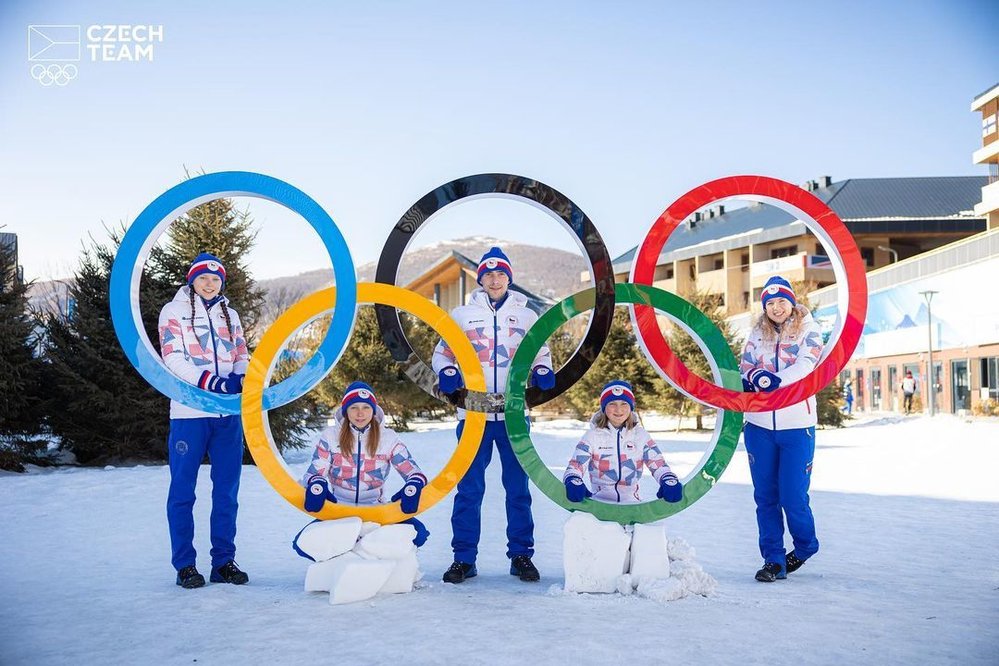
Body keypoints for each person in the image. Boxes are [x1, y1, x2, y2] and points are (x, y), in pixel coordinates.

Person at [431, 247, 555, 584]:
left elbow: (541, 352)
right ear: (481, 278)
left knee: (518, 488)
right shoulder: (461, 315)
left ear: (509, 278)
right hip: (474, 414)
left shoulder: (528, 316)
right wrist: (446, 373)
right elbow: (442, 354)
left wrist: (542, 370)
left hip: (513, 414)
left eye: (501, 274)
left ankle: (521, 556)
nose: (495, 279)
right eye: (489, 274)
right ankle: (463, 559)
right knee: (469, 489)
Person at [158, 253, 250, 589]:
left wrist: (241, 378)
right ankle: (185, 565)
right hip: (189, 413)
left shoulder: (231, 314)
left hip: (227, 414)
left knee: (227, 491)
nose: (210, 284)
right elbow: (173, 358)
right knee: (183, 491)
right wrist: (212, 383)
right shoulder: (174, 311)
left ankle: (223, 561)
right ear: (192, 279)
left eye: (215, 279)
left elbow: (241, 352)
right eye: (203, 278)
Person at [740, 276, 823, 583]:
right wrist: (752, 379)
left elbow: (806, 365)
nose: (776, 308)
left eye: (781, 302)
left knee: (793, 497)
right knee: (765, 497)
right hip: (759, 425)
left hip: (796, 426)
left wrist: (776, 379)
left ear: (792, 303)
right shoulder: (756, 333)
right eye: (770, 303)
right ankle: (773, 560)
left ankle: (805, 546)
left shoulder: (808, 330)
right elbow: (745, 365)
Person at [296, 382, 430, 549]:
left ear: (373, 410)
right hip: (338, 510)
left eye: (366, 407)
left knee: (419, 534)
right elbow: (314, 472)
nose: (360, 413)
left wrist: (414, 485)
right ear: (346, 411)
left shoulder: (388, 438)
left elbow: (412, 471)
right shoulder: (331, 436)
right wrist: (317, 484)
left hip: (376, 510)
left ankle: (376, 559)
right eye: (354, 407)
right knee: (302, 545)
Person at [562, 380, 683, 505]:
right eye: (612, 404)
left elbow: (658, 464)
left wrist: (668, 480)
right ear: (604, 407)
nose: (618, 409)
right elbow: (576, 465)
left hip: (632, 505)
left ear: (631, 407)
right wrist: (573, 479)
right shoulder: (592, 436)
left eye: (624, 403)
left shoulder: (640, 436)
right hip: (599, 505)